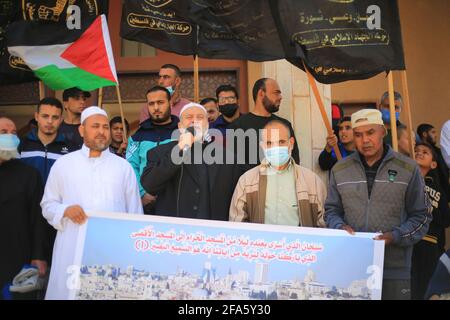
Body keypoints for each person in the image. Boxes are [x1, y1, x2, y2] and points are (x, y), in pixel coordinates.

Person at [324, 109, 432, 300]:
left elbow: (422, 216)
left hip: (395, 269)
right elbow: (331, 211)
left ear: (383, 131)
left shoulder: (407, 168)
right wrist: (339, 226)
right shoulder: (340, 170)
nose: (364, 140)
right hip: (351, 267)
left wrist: (395, 236)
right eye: (358, 135)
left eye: (370, 133)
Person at [41, 106, 143, 299]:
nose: (101, 132)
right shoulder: (63, 165)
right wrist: (65, 210)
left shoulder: (123, 167)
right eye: (95, 126)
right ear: (82, 130)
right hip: (71, 251)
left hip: (113, 251)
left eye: (105, 127)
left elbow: (135, 215)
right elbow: (47, 205)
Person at [141, 103, 243, 221]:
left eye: (200, 117)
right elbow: (150, 185)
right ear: (180, 126)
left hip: (214, 232)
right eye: (189, 117)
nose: (195, 121)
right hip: (175, 232)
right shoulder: (159, 152)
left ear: (208, 125)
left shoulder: (228, 157)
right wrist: (180, 149)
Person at [229, 120, 326, 227]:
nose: (276, 148)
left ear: (291, 143)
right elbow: (237, 224)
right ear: (262, 146)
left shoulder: (312, 181)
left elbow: (323, 225)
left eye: (281, 142)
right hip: (262, 243)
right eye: (269, 143)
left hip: (298, 243)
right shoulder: (247, 181)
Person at [0, 117, 50, 300]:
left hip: (18, 257)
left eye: (13, 133)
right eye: (3, 133)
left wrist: (39, 256)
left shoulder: (28, 175)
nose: (10, 137)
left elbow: (38, 219)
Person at [127, 86, 179, 214]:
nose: (156, 107)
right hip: (145, 204)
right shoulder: (137, 136)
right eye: (151, 103)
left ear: (170, 103)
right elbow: (131, 167)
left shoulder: (182, 133)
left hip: (176, 201)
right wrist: (142, 193)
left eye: (160, 102)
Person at [229, 78, 300, 170]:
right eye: (276, 93)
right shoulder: (237, 126)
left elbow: (294, 161)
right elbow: (234, 167)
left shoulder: (285, 125)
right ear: (261, 93)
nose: (280, 97)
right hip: (251, 183)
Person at [411, 142, 450, 299]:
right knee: (410, 285)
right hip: (409, 242)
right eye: (416, 151)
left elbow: (446, 220)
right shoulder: (406, 182)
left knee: (425, 285)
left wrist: (431, 211)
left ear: (433, 164)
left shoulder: (438, 190)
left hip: (430, 243)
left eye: (425, 152)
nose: (419, 153)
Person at [19, 97, 75, 185]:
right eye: (45, 116)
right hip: (27, 199)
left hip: (57, 199)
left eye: (55, 117)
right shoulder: (22, 144)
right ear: (36, 117)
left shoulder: (71, 149)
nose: (50, 121)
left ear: (61, 120)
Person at [417, 123, 449, 199]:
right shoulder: (417, 154)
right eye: (433, 132)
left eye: (425, 152)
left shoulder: (439, 151)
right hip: (426, 192)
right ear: (425, 134)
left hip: (443, 193)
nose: (436, 135)